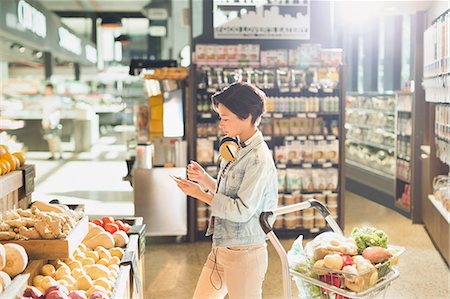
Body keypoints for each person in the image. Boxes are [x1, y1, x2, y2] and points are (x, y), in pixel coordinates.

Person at [175, 82, 278, 299]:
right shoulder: (237, 146)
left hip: (245, 253)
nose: (221, 123)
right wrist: (204, 179)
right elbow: (229, 193)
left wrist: (200, 195)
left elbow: (241, 210)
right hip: (222, 246)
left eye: (225, 118)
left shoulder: (258, 159)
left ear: (247, 116)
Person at [41, 83, 63, 160]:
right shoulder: (44, 99)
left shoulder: (56, 98)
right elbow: (43, 111)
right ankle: (52, 154)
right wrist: (45, 121)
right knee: (49, 139)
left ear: (51, 89)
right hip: (46, 122)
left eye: (47, 89)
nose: (45, 90)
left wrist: (52, 120)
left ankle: (60, 154)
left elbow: (58, 110)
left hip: (54, 122)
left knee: (56, 138)